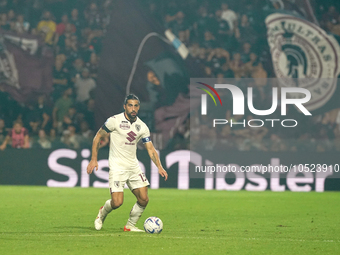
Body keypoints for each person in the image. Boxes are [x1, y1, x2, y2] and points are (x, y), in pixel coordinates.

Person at [87, 94, 168, 232]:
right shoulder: (114, 120)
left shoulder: (142, 126)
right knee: (117, 202)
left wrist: (159, 166)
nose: (133, 108)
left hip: (133, 166)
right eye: (130, 105)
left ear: (139, 107)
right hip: (117, 167)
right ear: (125, 106)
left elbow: (150, 148)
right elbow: (98, 137)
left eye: (136, 105)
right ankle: (102, 214)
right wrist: (94, 159)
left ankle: (130, 225)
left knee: (144, 199)